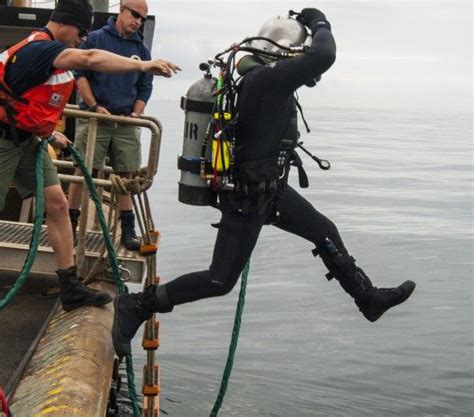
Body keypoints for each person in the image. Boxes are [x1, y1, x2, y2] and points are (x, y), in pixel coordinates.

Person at [112, 7, 416, 358]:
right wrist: (318, 20)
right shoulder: (267, 81)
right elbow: (325, 54)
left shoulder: (260, 78)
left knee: (324, 230)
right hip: (246, 197)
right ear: (282, 53)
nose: (302, 64)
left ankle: (368, 298)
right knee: (219, 280)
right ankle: (137, 305)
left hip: (268, 189)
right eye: (297, 55)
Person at [0, 0, 180, 312]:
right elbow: (90, 59)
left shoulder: (48, 52)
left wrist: (47, 131)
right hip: (4, 142)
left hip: (27, 139)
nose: (82, 38)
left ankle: (69, 286)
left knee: (56, 203)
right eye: (80, 31)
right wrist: (141, 65)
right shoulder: (41, 47)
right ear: (65, 24)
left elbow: (21, 98)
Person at [68, 0, 153, 251]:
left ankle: (128, 230)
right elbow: (79, 75)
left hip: (126, 120)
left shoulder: (142, 49)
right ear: (121, 10)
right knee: (83, 171)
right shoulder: (95, 39)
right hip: (96, 117)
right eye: (135, 15)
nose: (138, 21)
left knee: (126, 175)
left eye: (143, 18)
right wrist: (94, 107)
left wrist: (137, 113)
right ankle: (70, 225)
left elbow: (145, 86)